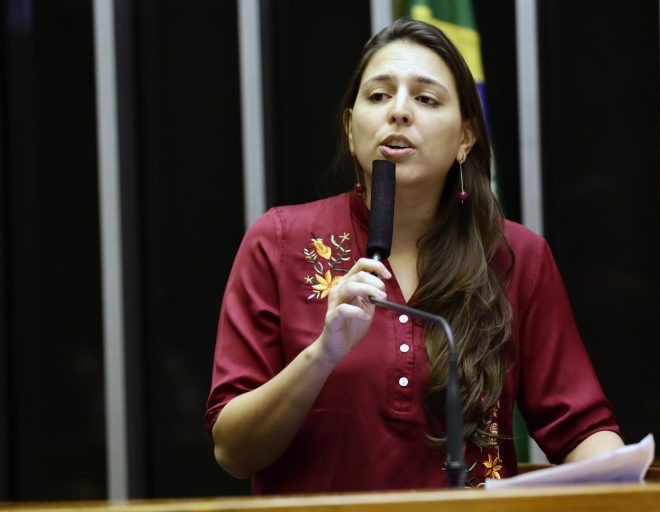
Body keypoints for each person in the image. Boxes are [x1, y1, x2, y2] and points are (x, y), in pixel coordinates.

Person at [205, 18, 623, 494]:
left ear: (466, 138)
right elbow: (234, 451)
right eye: (379, 95)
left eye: (425, 99)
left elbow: (582, 429)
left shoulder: (514, 256)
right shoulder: (279, 241)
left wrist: (625, 480)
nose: (399, 111)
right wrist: (322, 354)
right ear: (350, 129)